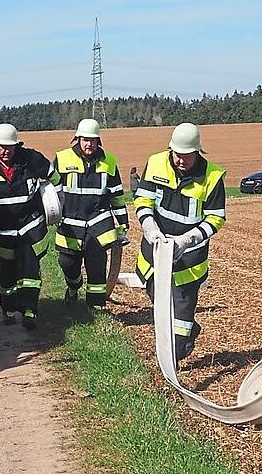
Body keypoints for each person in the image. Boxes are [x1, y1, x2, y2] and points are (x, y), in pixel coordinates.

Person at [134, 122, 226, 364]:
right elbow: (143, 200)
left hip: (189, 264)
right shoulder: (155, 163)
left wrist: (186, 241)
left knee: (179, 332)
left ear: (197, 152)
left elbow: (216, 218)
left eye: (186, 155)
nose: (180, 160)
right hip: (154, 257)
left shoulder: (212, 177)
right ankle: (181, 341)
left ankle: (176, 353)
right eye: (177, 154)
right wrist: (151, 229)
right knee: (162, 309)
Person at [0, 123, 59, 330]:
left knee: (30, 269)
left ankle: (30, 311)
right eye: (2, 147)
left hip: (30, 226)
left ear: (17, 146)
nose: (6, 151)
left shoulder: (31, 159)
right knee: (6, 274)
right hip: (3, 230)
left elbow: (54, 177)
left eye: (10, 147)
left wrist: (58, 202)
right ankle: (8, 309)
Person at [53, 118, 130, 312]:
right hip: (70, 225)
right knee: (67, 263)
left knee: (97, 266)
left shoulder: (109, 161)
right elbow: (51, 191)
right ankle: (74, 286)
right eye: (86, 140)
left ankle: (95, 307)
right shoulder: (62, 159)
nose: (89, 144)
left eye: (93, 140)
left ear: (98, 141)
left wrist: (123, 222)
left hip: (98, 224)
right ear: (78, 139)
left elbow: (117, 196)